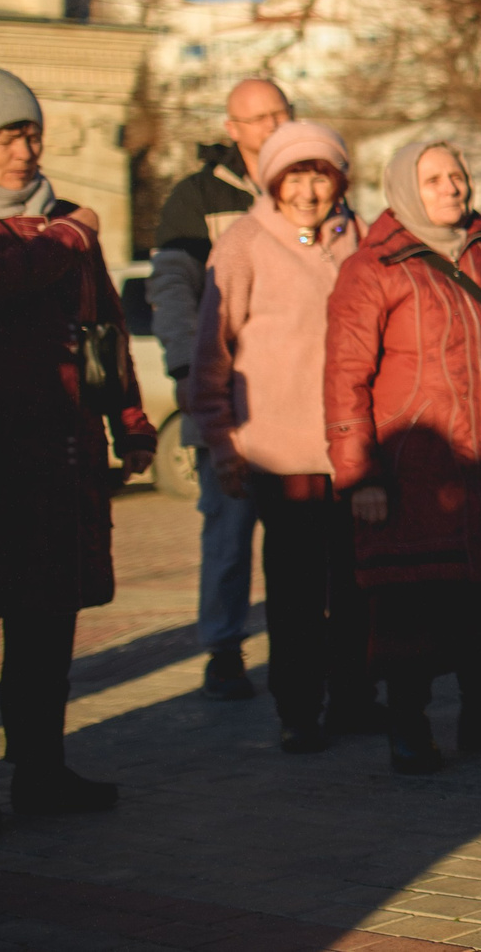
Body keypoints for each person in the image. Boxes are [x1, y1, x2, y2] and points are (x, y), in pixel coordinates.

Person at [0, 68, 156, 837]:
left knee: (47, 626)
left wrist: (129, 414)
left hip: (55, 456)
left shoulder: (58, 222)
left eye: (29, 132)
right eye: (6, 135)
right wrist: (71, 235)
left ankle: (42, 773)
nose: (25, 149)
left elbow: (103, 329)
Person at [323, 141, 481, 774]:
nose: (452, 188)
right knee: (415, 602)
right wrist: (360, 477)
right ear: (405, 189)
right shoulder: (372, 268)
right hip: (416, 471)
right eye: (434, 179)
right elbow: (344, 380)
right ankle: (408, 726)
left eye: (457, 176)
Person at [186, 121, 377, 754]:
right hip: (279, 452)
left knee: (356, 586)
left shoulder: (361, 237)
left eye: (319, 173)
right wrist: (222, 441)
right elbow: (210, 351)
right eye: (293, 174)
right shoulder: (243, 243)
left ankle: (353, 697)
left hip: (352, 450)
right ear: (272, 180)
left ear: (338, 180)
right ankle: (298, 708)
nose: (307, 189)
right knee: (296, 592)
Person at [149, 76, 293, 702]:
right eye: (256, 117)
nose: (270, 125)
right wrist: (188, 371)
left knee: (304, 536)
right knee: (229, 532)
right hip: (228, 397)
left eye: (279, 113)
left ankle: (304, 643)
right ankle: (224, 649)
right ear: (232, 128)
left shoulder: (313, 188)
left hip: (297, 401)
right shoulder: (195, 198)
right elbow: (173, 290)